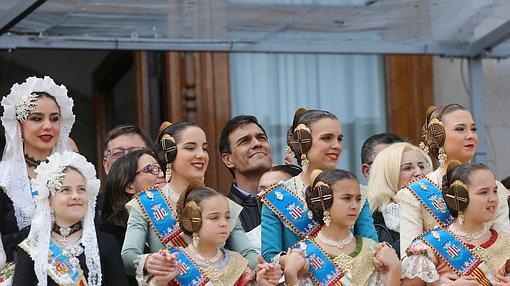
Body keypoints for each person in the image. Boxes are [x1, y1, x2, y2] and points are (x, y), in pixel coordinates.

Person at [122, 121, 261, 284]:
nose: (201, 155)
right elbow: (129, 256)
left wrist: (262, 268)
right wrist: (149, 261)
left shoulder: (222, 203)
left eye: (204, 148)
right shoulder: (147, 204)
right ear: (169, 153)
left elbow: (246, 253)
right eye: (190, 147)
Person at [260, 108, 378, 263]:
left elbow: (371, 247)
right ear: (303, 142)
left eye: (339, 139)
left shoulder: (357, 192)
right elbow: (270, 256)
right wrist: (291, 262)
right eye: (327, 138)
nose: (337, 146)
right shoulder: (277, 197)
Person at [397, 104, 510, 256]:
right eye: (460, 129)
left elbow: (505, 246)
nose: (470, 135)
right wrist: (441, 280)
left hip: (490, 277)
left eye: (473, 129)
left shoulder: (495, 188)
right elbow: (409, 257)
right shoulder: (414, 193)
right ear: (439, 136)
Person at [12, 151, 128, 285]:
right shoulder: (33, 247)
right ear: (49, 199)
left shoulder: (106, 243)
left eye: (81, 189)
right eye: (65, 190)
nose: (75, 196)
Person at [0, 76, 75, 263]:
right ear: (19, 126)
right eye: (36, 118)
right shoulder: (4, 178)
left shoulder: (75, 172)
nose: (48, 126)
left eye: (54, 119)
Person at [282, 169, 401, 285]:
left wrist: (394, 268)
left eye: (358, 199)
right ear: (324, 202)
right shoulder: (304, 254)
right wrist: (291, 275)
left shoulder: (372, 249)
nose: (355, 205)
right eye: (346, 198)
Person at [149, 182, 280, 286]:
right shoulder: (175, 261)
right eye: (214, 218)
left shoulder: (238, 263)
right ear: (193, 219)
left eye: (227, 217)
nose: (224, 223)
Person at [401, 161, 510, 285]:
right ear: (459, 196)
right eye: (483, 192)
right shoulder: (430, 245)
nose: (492, 199)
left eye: (495, 191)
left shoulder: (506, 243)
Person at [367, 142, 432, 256]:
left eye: (422, 166)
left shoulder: (446, 209)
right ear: (388, 176)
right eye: (407, 168)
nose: (419, 172)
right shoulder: (372, 225)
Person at [219, 115, 272, 245]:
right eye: (244, 141)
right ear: (228, 159)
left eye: (261, 138)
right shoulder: (223, 211)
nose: (257, 144)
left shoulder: (292, 196)